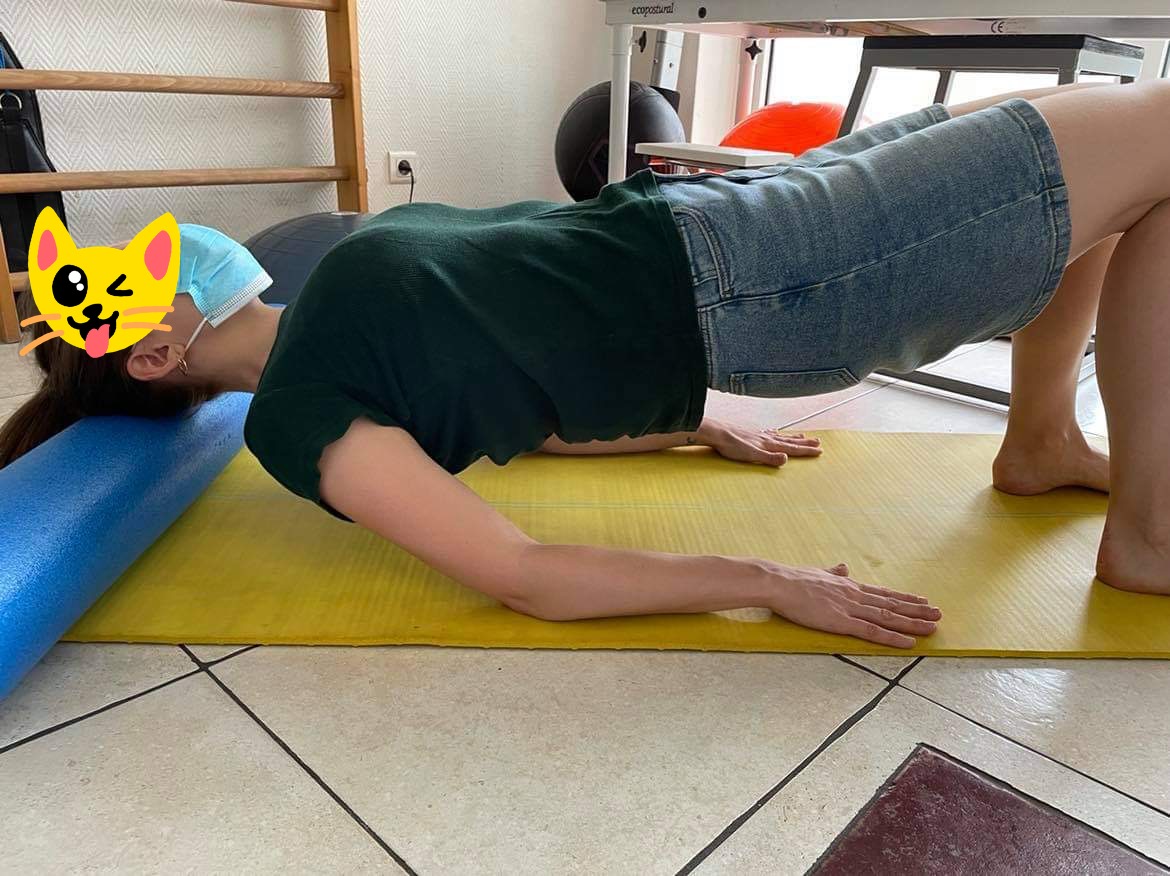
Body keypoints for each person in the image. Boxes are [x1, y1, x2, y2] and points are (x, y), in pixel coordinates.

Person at [4, 80, 1168, 649]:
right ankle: (1151, 537)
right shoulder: (300, 418)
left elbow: (532, 410)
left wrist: (694, 428)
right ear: (154, 351)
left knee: (1091, 149)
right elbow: (524, 571)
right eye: (132, 272)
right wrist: (765, 580)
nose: (161, 249)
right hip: (776, 274)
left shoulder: (322, 312)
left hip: (733, 219)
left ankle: (1042, 439)